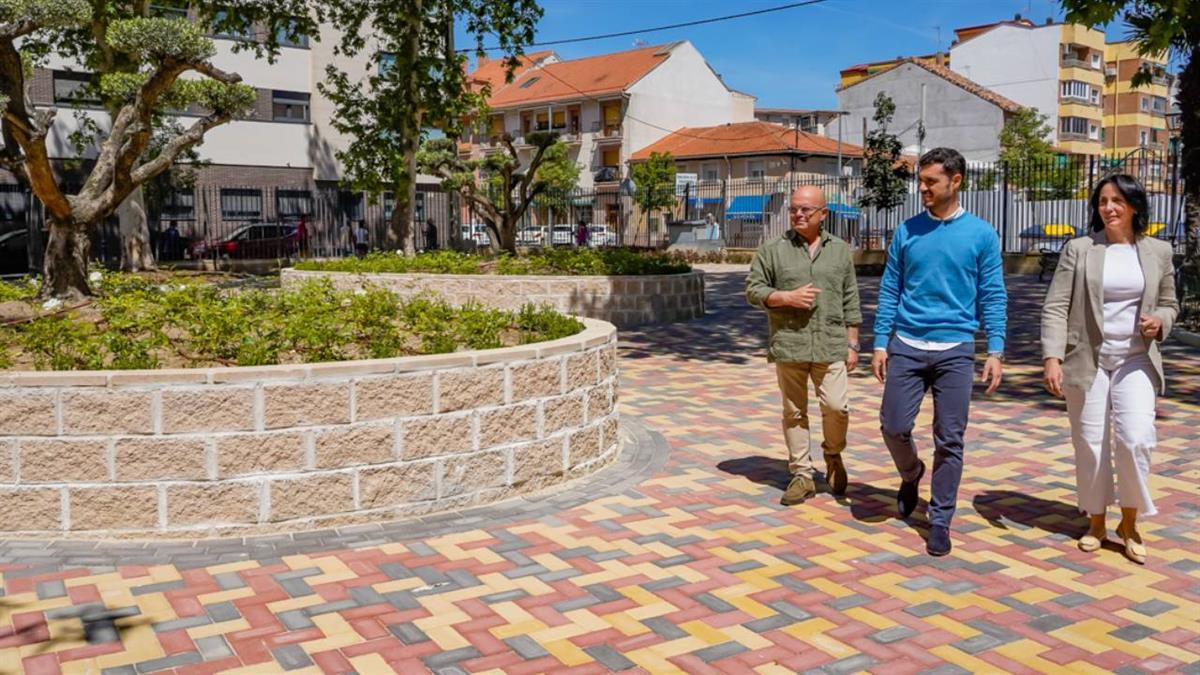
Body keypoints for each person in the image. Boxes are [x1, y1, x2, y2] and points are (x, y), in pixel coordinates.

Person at [871, 147, 1007, 557]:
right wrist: (880, 341)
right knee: (893, 426)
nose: (923, 188)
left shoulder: (982, 234)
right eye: (921, 181)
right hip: (907, 346)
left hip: (956, 350)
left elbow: (993, 295)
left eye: (931, 181)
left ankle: (941, 519)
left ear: (956, 180)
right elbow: (890, 288)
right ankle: (912, 473)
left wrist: (995, 349)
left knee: (950, 439)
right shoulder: (907, 231)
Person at [1041, 174, 1177, 565]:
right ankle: (1097, 521)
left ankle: (1130, 522)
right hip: (1088, 360)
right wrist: (1052, 357)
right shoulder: (1081, 249)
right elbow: (1055, 305)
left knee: (1135, 439)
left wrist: (1161, 321)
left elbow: (1170, 303)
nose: (1109, 208)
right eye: (1102, 201)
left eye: (1117, 200)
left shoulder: (1158, 251)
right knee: (1090, 442)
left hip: (1136, 359)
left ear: (1134, 205)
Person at [747, 185, 862, 505]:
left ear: (823, 214)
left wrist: (853, 343)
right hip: (790, 342)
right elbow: (754, 290)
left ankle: (833, 455)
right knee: (794, 411)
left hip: (830, 341)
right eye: (794, 208)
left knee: (837, 407)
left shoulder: (840, 250)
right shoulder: (772, 249)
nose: (798, 214)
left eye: (806, 209)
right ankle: (802, 474)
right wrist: (785, 297)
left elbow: (850, 297)